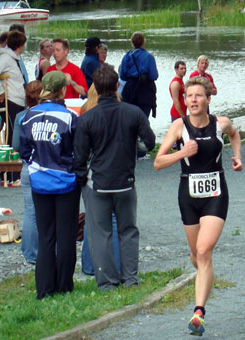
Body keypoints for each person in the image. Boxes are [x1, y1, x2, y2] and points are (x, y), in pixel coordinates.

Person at [153, 76, 242, 336]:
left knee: (203, 251)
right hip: (188, 196)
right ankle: (205, 273)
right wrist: (182, 152)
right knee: (197, 255)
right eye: (188, 96)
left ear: (208, 99)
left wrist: (237, 157)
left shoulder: (220, 123)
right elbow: (158, 162)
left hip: (216, 193)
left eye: (198, 96)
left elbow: (235, 135)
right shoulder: (178, 127)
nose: (192, 100)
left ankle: (198, 313)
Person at [74, 64, 156, 291]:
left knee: (101, 233)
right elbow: (149, 142)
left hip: (97, 183)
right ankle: (130, 278)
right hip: (125, 182)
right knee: (128, 230)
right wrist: (134, 145)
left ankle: (107, 282)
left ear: (95, 89)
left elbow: (79, 157)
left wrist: (82, 180)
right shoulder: (133, 113)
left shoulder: (87, 118)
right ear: (117, 86)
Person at [20, 71, 80, 299]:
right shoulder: (70, 117)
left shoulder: (28, 116)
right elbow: (78, 150)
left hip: (39, 182)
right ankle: (64, 285)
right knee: (66, 236)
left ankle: (44, 289)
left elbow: (23, 149)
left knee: (46, 237)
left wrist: (37, 165)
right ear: (63, 90)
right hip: (65, 182)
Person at [77, 81, 121, 276]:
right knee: (113, 219)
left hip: (89, 173)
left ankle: (89, 264)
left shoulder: (84, 113)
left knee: (92, 220)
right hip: (114, 172)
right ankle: (115, 267)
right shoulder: (118, 112)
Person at [0, 30, 27, 184]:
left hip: (18, 101)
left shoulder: (14, 58)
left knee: (15, 136)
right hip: (10, 100)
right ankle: (11, 176)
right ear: (20, 45)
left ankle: (13, 174)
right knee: (11, 136)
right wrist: (0, 92)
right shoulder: (6, 58)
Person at [12, 80, 43, 265]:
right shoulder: (46, 115)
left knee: (30, 211)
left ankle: (30, 252)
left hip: (27, 167)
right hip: (44, 166)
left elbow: (16, 145)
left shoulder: (21, 117)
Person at [120, 31, 158, 118]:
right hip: (145, 91)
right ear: (143, 42)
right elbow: (154, 76)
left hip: (130, 90)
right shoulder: (149, 57)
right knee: (143, 119)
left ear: (132, 43)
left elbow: (122, 76)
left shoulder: (127, 56)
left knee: (130, 119)